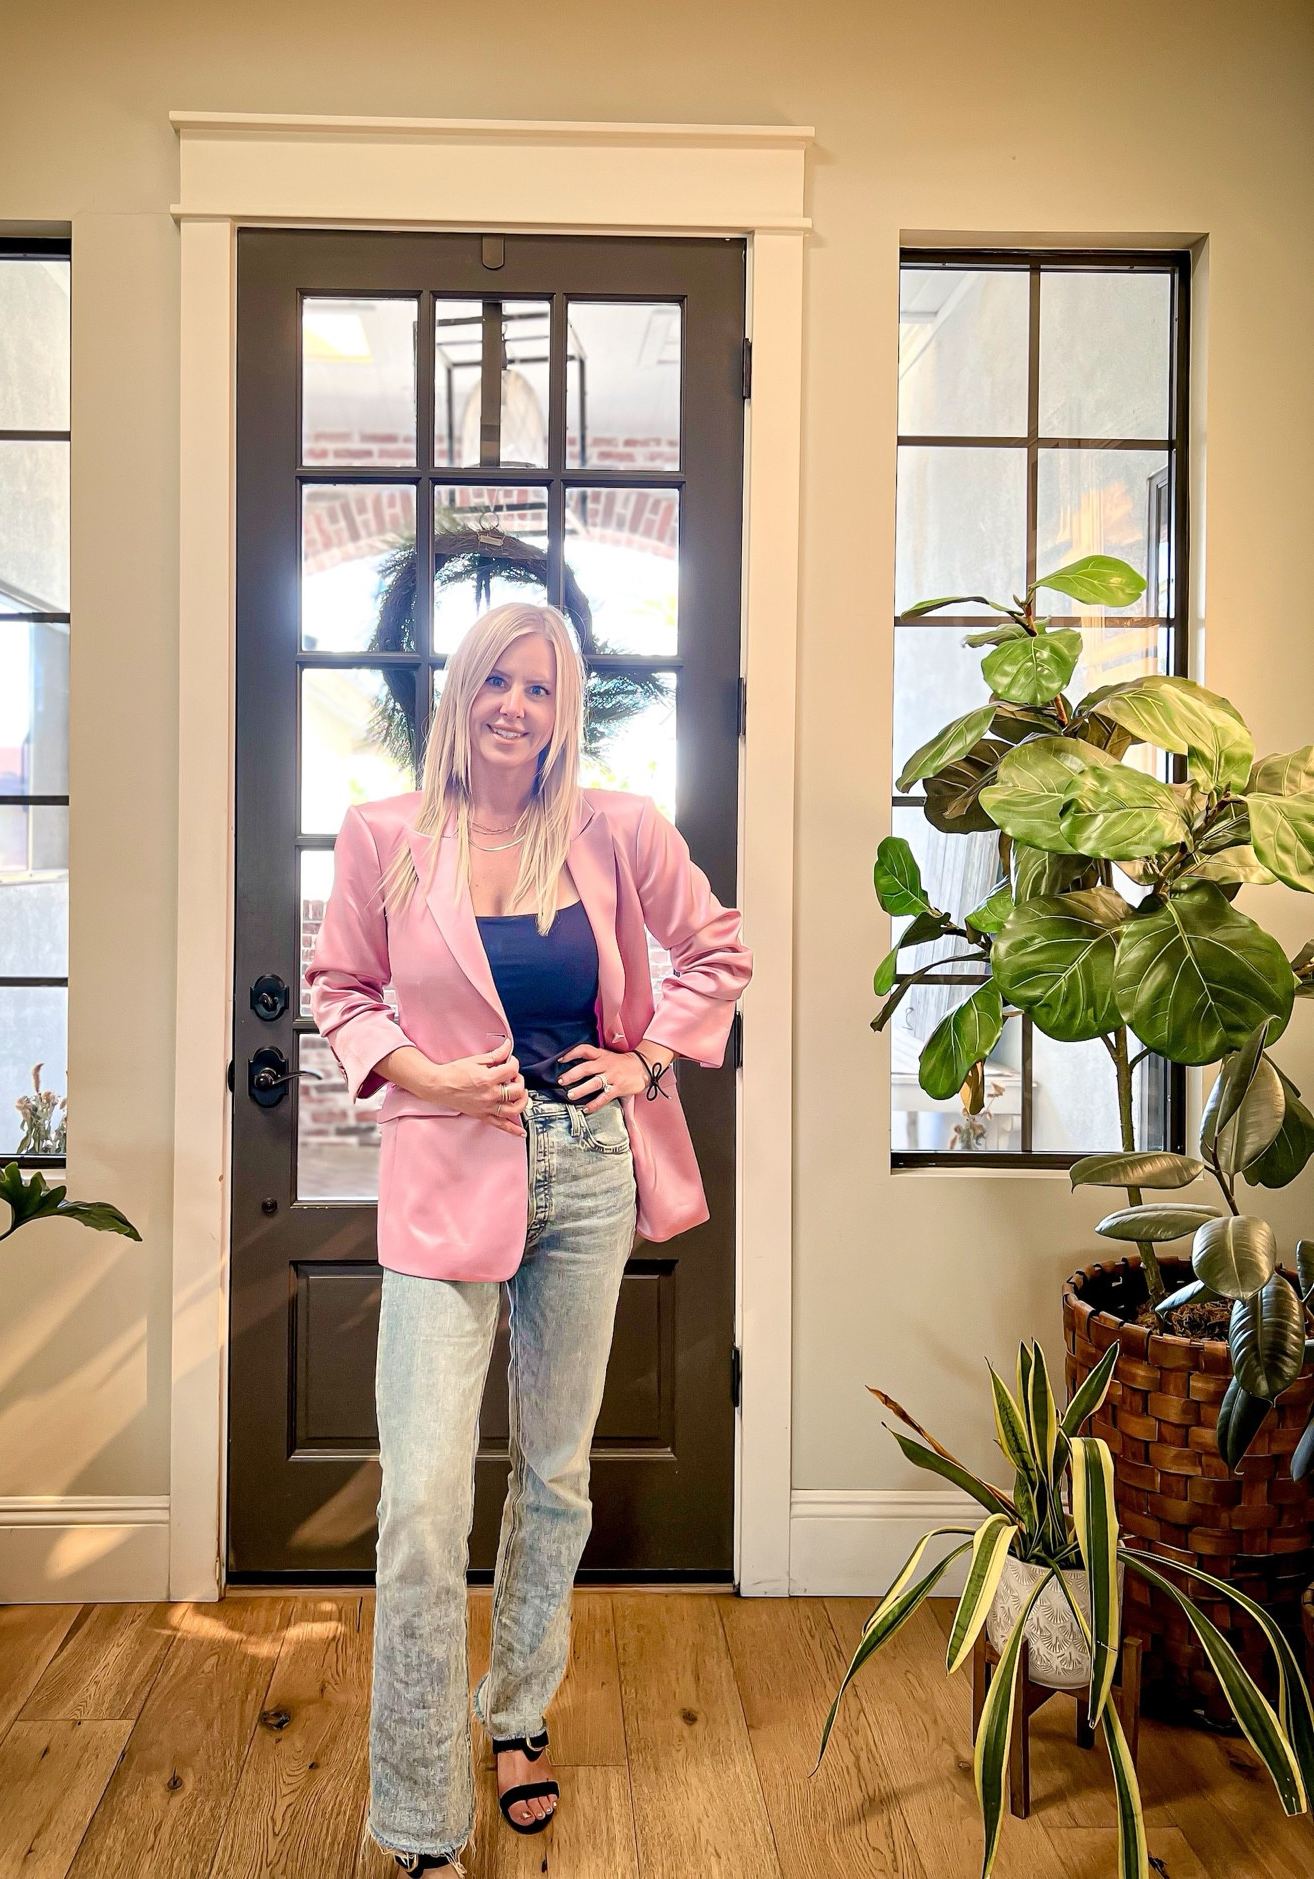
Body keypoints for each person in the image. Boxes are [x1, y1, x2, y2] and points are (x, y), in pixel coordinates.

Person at [308, 601, 751, 1874]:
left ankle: (515, 1716)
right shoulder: (384, 836)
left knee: (554, 1474)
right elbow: (340, 990)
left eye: (543, 689)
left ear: (567, 712)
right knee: (423, 1504)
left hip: (588, 1174)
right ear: (460, 693)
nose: (516, 706)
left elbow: (718, 948)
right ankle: (415, 1817)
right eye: (496, 680)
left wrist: (650, 1054)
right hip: (447, 1175)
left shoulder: (614, 828)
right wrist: (430, 1081)